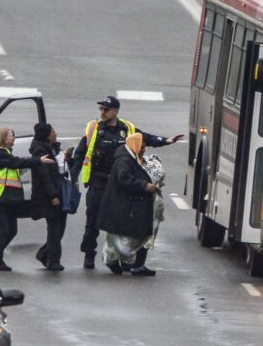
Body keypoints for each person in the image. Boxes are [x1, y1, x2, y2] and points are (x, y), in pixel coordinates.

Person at [72, 95, 182, 269]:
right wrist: (73, 178)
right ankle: (89, 254)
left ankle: (117, 256)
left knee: (118, 220)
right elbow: (79, 155)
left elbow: (144, 138)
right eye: (101, 109)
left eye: (106, 109)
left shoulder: (127, 128)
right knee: (92, 219)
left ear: (115, 111)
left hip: (118, 184)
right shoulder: (94, 129)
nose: (102, 112)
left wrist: (165, 141)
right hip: (98, 181)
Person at [0, 127, 53, 271]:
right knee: (5, 229)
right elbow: (16, 162)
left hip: (8, 201)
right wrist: (38, 160)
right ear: (3, 138)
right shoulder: (0, 153)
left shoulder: (5, 153)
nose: (14, 138)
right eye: (11, 135)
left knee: (12, 230)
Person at [96, 133, 164, 277]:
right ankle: (117, 261)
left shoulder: (131, 158)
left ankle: (134, 264)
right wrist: (144, 185)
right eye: (142, 147)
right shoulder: (125, 160)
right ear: (135, 145)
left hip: (131, 205)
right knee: (132, 238)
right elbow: (124, 178)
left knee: (140, 235)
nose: (144, 150)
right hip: (126, 206)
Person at [29, 122, 68, 271]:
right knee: (54, 227)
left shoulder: (52, 148)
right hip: (47, 196)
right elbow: (44, 176)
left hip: (57, 192)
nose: (55, 134)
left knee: (60, 227)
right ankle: (53, 259)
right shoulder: (40, 151)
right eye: (53, 132)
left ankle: (45, 253)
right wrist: (53, 196)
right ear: (46, 135)